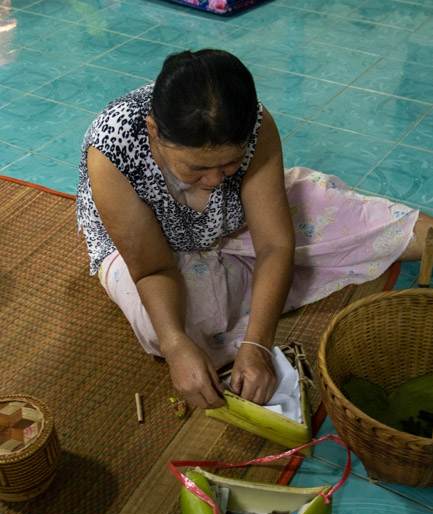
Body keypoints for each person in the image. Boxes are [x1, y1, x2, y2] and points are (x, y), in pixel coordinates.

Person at [76, 49, 431, 410]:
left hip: (232, 221)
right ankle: (229, 291)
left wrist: (258, 344)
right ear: (153, 133)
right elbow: (153, 269)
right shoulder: (112, 150)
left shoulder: (256, 124)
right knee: (172, 332)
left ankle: (238, 286)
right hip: (153, 250)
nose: (214, 180)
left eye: (229, 164)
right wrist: (175, 344)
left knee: (339, 221)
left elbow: (275, 244)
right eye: (196, 169)